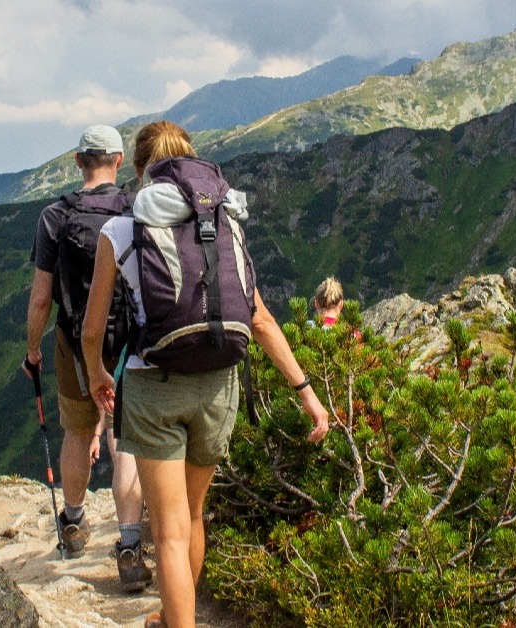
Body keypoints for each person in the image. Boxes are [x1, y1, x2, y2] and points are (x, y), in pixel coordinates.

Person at [81, 121, 330, 628]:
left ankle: (177, 620)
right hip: (219, 384)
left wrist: (96, 374)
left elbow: (91, 329)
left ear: (140, 168)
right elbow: (258, 318)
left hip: (154, 384)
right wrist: (305, 391)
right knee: (193, 517)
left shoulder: (119, 229)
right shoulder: (222, 223)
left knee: (168, 532)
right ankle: (175, 615)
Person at [22, 124, 150, 590]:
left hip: (75, 342)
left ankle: (73, 522)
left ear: (78, 162)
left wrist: (34, 350)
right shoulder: (136, 210)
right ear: (118, 161)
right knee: (126, 443)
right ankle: (131, 546)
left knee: (77, 432)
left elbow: (41, 299)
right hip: (131, 343)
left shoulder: (54, 217)